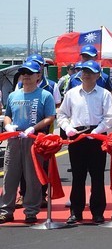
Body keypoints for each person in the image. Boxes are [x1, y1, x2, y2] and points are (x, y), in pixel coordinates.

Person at [58, 60, 112, 224]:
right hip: (77, 135)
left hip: (97, 136)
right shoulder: (72, 93)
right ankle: (76, 211)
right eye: (84, 71)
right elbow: (62, 115)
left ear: (98, 75)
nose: (86, 74)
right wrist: (68, 128)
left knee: (97, 176)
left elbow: (109, 117)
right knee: (78, 176)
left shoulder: (103, 93)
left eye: (90, 72)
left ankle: (97, 212)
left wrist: (96, 131)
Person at [0, 61, 56, 224]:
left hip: (33, 140)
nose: (25, 75)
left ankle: (31, 210)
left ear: (38, 76)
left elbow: (50, 117)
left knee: (32, 177)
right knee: (10, 175)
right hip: (14, 140)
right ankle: (5, 210)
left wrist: (33, 128)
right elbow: (8, 114)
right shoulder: (13, 95)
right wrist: (8, 125)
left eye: (29, 73)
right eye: (23, 72)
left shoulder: (45, 95)